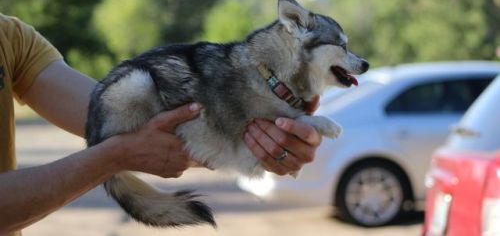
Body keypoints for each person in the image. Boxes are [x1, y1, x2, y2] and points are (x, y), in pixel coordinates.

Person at [0, 14, 322, 235]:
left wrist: (259, 140)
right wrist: (112, 157)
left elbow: (113, 115)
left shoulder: (12, 37)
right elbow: (119, 146)